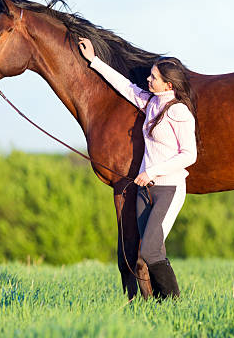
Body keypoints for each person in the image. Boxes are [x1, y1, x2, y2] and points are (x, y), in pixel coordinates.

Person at [78, 37, 198, 299]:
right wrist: (93, 60)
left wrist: (151, 172)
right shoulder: (151, 103)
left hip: (168, 188)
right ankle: (158, 303)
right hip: (146, 190)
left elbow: (189, 155)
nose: (149, 80)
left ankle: (174, 303)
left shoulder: (179, 113)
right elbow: (124, 86)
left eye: (154, 77)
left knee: (149, 252)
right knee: (149, 250)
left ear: (169, 84)